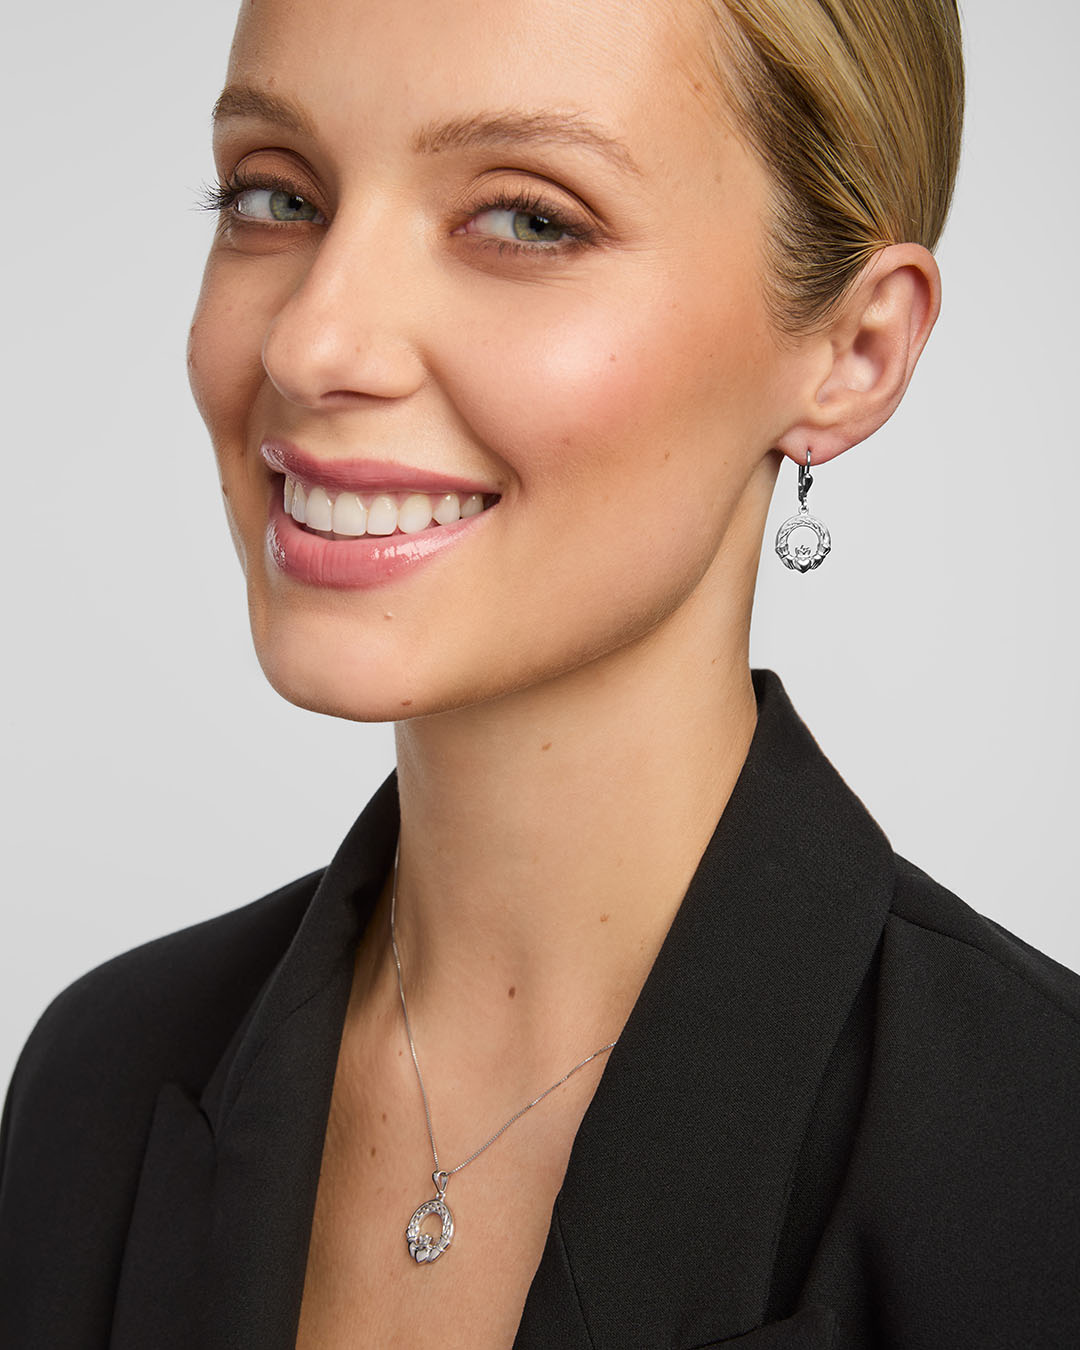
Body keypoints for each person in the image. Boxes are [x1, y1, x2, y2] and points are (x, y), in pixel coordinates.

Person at [2, 0, 1078, 1346]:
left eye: (527, 219)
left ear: (853, 351)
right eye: (274, 192)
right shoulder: (93, 1084)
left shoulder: (1043, 1160)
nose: (310, 344)